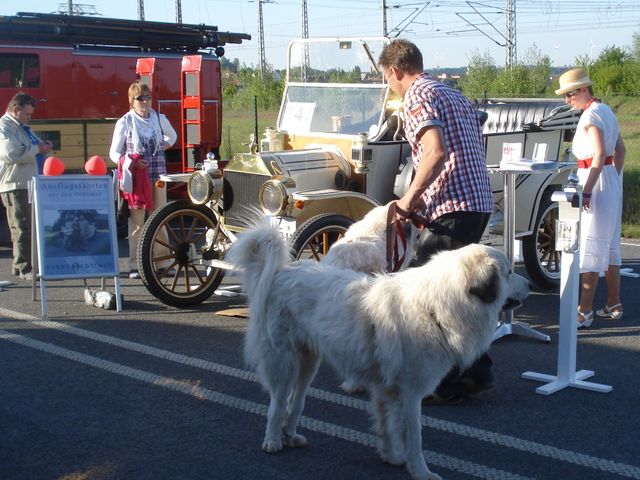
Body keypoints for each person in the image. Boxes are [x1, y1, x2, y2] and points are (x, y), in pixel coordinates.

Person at [378, 39, 494, 404]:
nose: (389, 85)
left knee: (431, 298)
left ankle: (445, 382)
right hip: (477, 201)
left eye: (387, 78)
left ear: (395, 70)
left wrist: (407, 199)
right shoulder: (452, 93)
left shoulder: (416, 96)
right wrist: (422, 203)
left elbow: (436, 153)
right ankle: (476, 370)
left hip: (453, 207)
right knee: (458, 296)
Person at [555, 68, 625, 328]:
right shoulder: (606, 110)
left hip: (593, 178)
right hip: (608, 179)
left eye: (570, 94)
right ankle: (614, 303)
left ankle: (584, 310)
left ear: (584, 89)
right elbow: (620, 150)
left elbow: (599, 152)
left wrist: (587, 189)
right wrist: (613, 177)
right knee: (609, 244)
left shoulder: (591, 114)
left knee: (591, 244)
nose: (567, 100)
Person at [109, 81, 177, 279]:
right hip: (136, 179)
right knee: (137, 222)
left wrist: (161, 145)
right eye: (140, 98)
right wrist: (131, 161)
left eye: (148, 97)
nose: (145, 102)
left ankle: (163, 262)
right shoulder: (125, 122)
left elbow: (172, 136)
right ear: (132, 101)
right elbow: (114, 153)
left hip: (157, 176)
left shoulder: (159, 119)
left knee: (159, 218)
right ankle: (136, 264)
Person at [0, 92, 52, 280]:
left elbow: (33, 146)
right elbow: (11, 153)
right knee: (22, 226)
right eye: (27, 114)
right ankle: (24, 267)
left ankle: (20, 265)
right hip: (15, 183)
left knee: (25, 225)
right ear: (16, 110)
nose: (29, 117)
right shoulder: (4, 127)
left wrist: (44, 146)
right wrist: (38, 149)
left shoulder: (22, 127)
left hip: (28, 182)